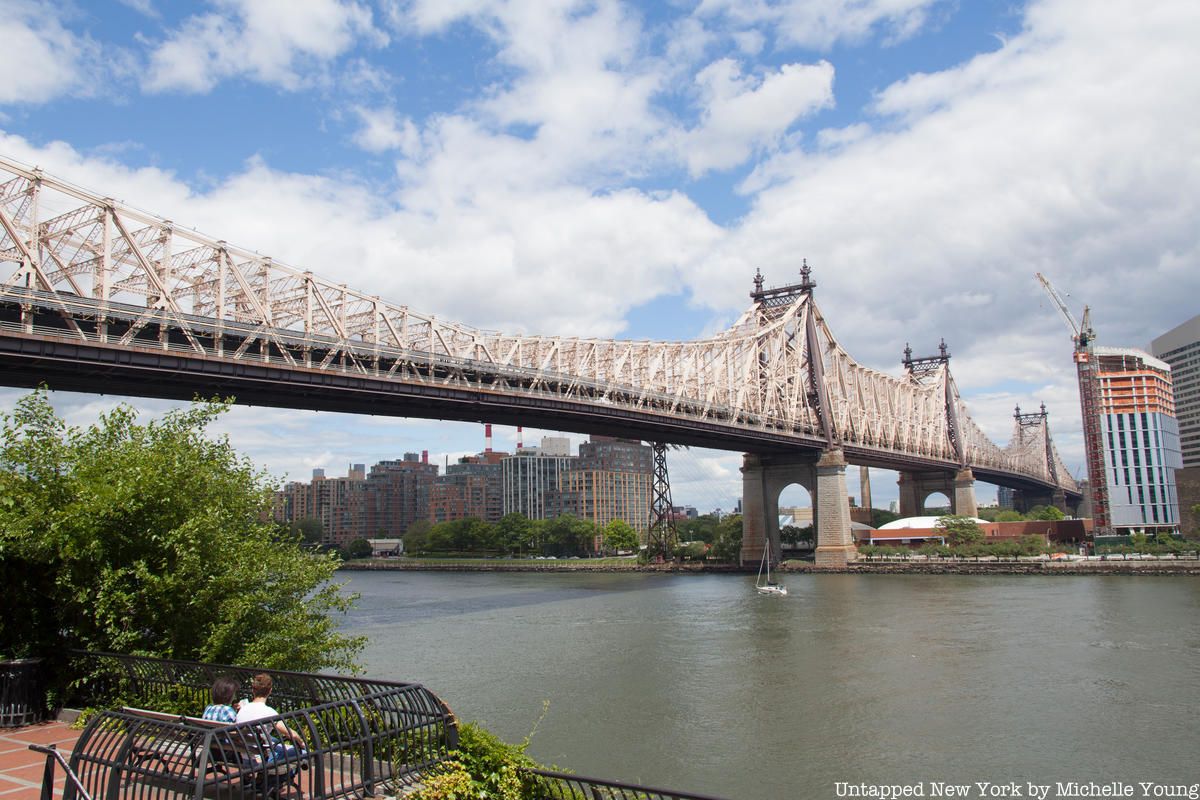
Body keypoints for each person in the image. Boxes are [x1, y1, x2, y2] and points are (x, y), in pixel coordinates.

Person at [235, 673, 306, 763]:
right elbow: (291, 734)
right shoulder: (269, 712)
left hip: (245, 757)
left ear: (253, 690)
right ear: (270, 691)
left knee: (273, 740)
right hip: (263, 759)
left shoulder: (242, 709)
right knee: (304, 752)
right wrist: (302, 743)